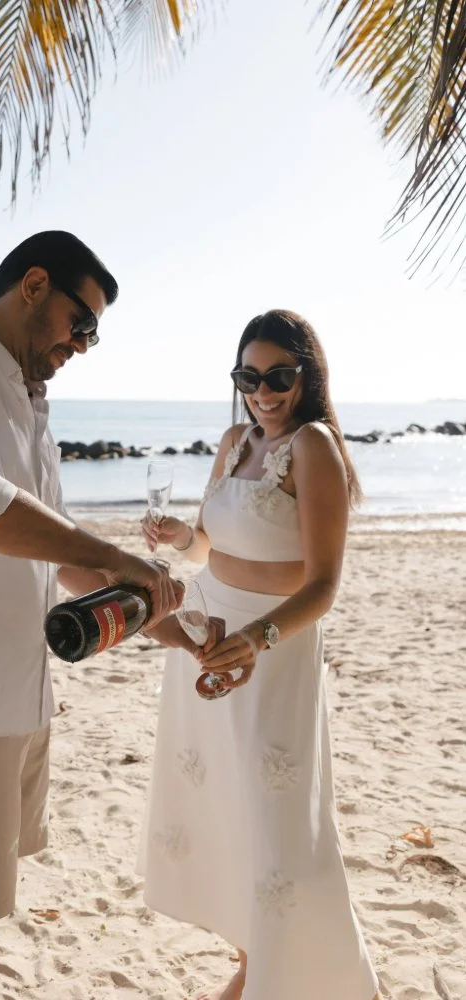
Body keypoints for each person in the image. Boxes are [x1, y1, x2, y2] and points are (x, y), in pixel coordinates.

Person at [0, 231, 190, 1000]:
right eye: (80, 324)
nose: (82, 346)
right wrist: (121, 559)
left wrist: (172, 627)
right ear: (33, 285)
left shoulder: (29, 401)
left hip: (16, 702)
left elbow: (59, 558)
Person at [138, 309, 379, 1000]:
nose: (263, 390)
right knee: (223, 808)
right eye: (249, 375)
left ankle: (277, 974)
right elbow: (212, 550)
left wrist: (261, 637)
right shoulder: (232, 439)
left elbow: (324, 584)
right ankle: (253, 961)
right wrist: (182, 535)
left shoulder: (313, 447)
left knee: (276, 828)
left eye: (277, 375)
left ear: (305, 373)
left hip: (274, 650)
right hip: (204, 636)